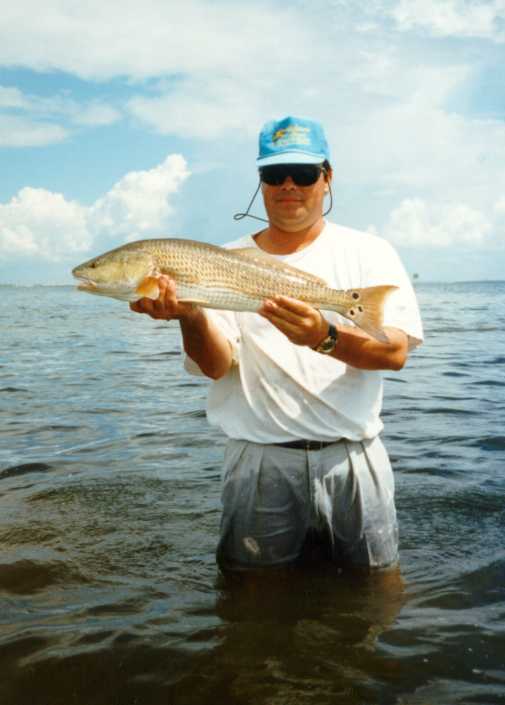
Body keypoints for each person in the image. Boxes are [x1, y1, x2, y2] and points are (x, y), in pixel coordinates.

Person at [130, 116, 423, 574]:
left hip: (354, 456)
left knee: (376, 584)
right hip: (258, 460)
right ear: (260, 182)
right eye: (274, 174)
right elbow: (216, 366)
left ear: (327, 178)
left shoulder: (370, 253)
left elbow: (395, 354)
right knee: (251, 595)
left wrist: (322, 337)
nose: (289, 185)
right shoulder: (217, 261)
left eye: (303, 174)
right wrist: (189, 314)